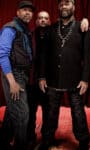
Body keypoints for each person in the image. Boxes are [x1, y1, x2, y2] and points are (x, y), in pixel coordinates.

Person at [38, 0, 90, 149]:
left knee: (78, 112)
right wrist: (41, 76)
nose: (64, 6)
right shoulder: (51, 28)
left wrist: (85, 79)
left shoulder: (83, 27)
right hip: (52, 79)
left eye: (67, 3)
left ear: (73, 7)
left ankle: (83, 141)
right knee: (50, 113)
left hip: (75, 79)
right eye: (61, 4)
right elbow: (43, 55)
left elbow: (87, 56)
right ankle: (47, 140)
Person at [0, 1, 35, 150]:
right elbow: (2, 55)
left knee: (11, 110)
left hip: (22, 75)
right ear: (18, 12)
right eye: (24, 10)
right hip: (13, 75)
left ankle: (3, 140)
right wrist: (12, 82)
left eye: (30, 11)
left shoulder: (24, 29)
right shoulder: (10, 28)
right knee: (22, 114)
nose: (28, 13)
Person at [26, 11, 51, 149]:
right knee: (31, 111)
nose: (42, 20)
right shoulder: (30, 35)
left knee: (48, 111)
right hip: (32, 80)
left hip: (48, 81)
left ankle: (46, 139)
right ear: (36, 21)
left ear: (49, 21)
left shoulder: (54, 35)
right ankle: (30, 137)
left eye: (45, 18)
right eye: (40, 18)